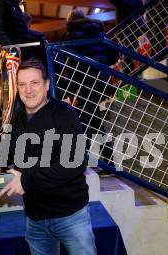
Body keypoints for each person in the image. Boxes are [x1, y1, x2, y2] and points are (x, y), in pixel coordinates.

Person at [0, 59, 107, 255]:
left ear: (47, 84)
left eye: (35, 83)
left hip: (70, 215)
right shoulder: (16, 118)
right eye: (23, 84)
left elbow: (74, 164)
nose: (29, 90)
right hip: (36, 218)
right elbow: (16, 162)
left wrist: (25, 179)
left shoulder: (63, 113)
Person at [62, 9, 117, 165]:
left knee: (88, 121)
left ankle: (92, 159)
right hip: (103, 83)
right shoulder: (99, 32)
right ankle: (105, 159)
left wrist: (71, 91)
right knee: (93, 120)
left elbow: (69, 65)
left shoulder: (70, 35)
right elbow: (114, 55)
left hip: (85, 83)